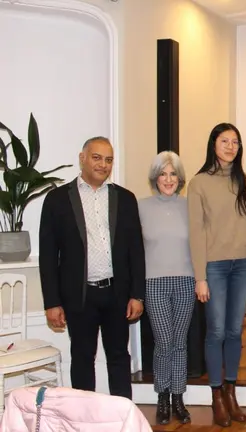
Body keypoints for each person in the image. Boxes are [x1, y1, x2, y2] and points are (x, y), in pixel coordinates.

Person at [39, 136, 145, 399]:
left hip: (117, 294)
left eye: (109, 159)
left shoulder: (125, 199)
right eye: (97, 157)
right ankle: (84, 419)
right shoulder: (57, 199)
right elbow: (48, 256)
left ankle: (122, 417)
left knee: (119, 357)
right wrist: (52, 302)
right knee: (83, 358)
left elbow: (136, 251)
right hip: (79, 296)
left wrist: (137, 294)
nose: (103, 164)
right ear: (82, 158)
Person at [187, 123, 246, 427]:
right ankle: (216, 395)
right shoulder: (198, 182)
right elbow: (196, 231)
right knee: (215, 331)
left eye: (235, 142)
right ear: (213, 143)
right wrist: (200, 276)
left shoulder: (245, 181)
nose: (230, 146)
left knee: (234, 331)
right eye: (224, 140)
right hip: (213, 266)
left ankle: (231, 391)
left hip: (243, 263)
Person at [138, 151, 194, 425]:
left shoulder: (190, 205)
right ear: (155, 178)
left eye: (173, 174)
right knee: (164, 342)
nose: (168, 179)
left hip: (185, 280)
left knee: (180, 343)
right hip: (154, 283)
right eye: (163, 174)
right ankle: (162, 396)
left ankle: (178, 398)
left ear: (180, 178)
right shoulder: (141, 206)